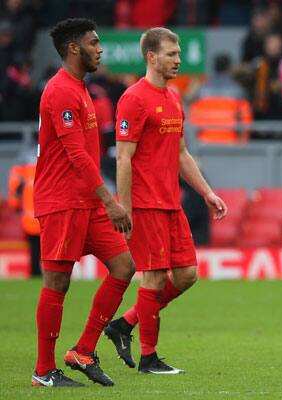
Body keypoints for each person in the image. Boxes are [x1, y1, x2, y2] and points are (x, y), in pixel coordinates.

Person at [103, 27, 228, 374]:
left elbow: (182, 153)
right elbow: (123, 158)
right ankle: (149, 358)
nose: (178, 59)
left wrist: (207, 192)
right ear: (151, 57)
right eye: (172, 54)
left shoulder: (173, 98)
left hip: (171, 203)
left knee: (187, 274)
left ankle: (124, 324)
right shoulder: (133, 98)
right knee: (154, 278)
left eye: (178, 53)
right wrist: (124, 207)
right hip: (145, 204)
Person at [32, 18, 135, 388]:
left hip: (85, 202)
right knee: (58, 282)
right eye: (94, 43)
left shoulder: (80, 89)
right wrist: (110, 200)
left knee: (124, 266)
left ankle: (84, 350)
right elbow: (76, 154)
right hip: (62, 201)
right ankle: (43, 371)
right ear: (74, 48)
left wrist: (101, 201)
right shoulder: (60, 91)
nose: (100, 49)